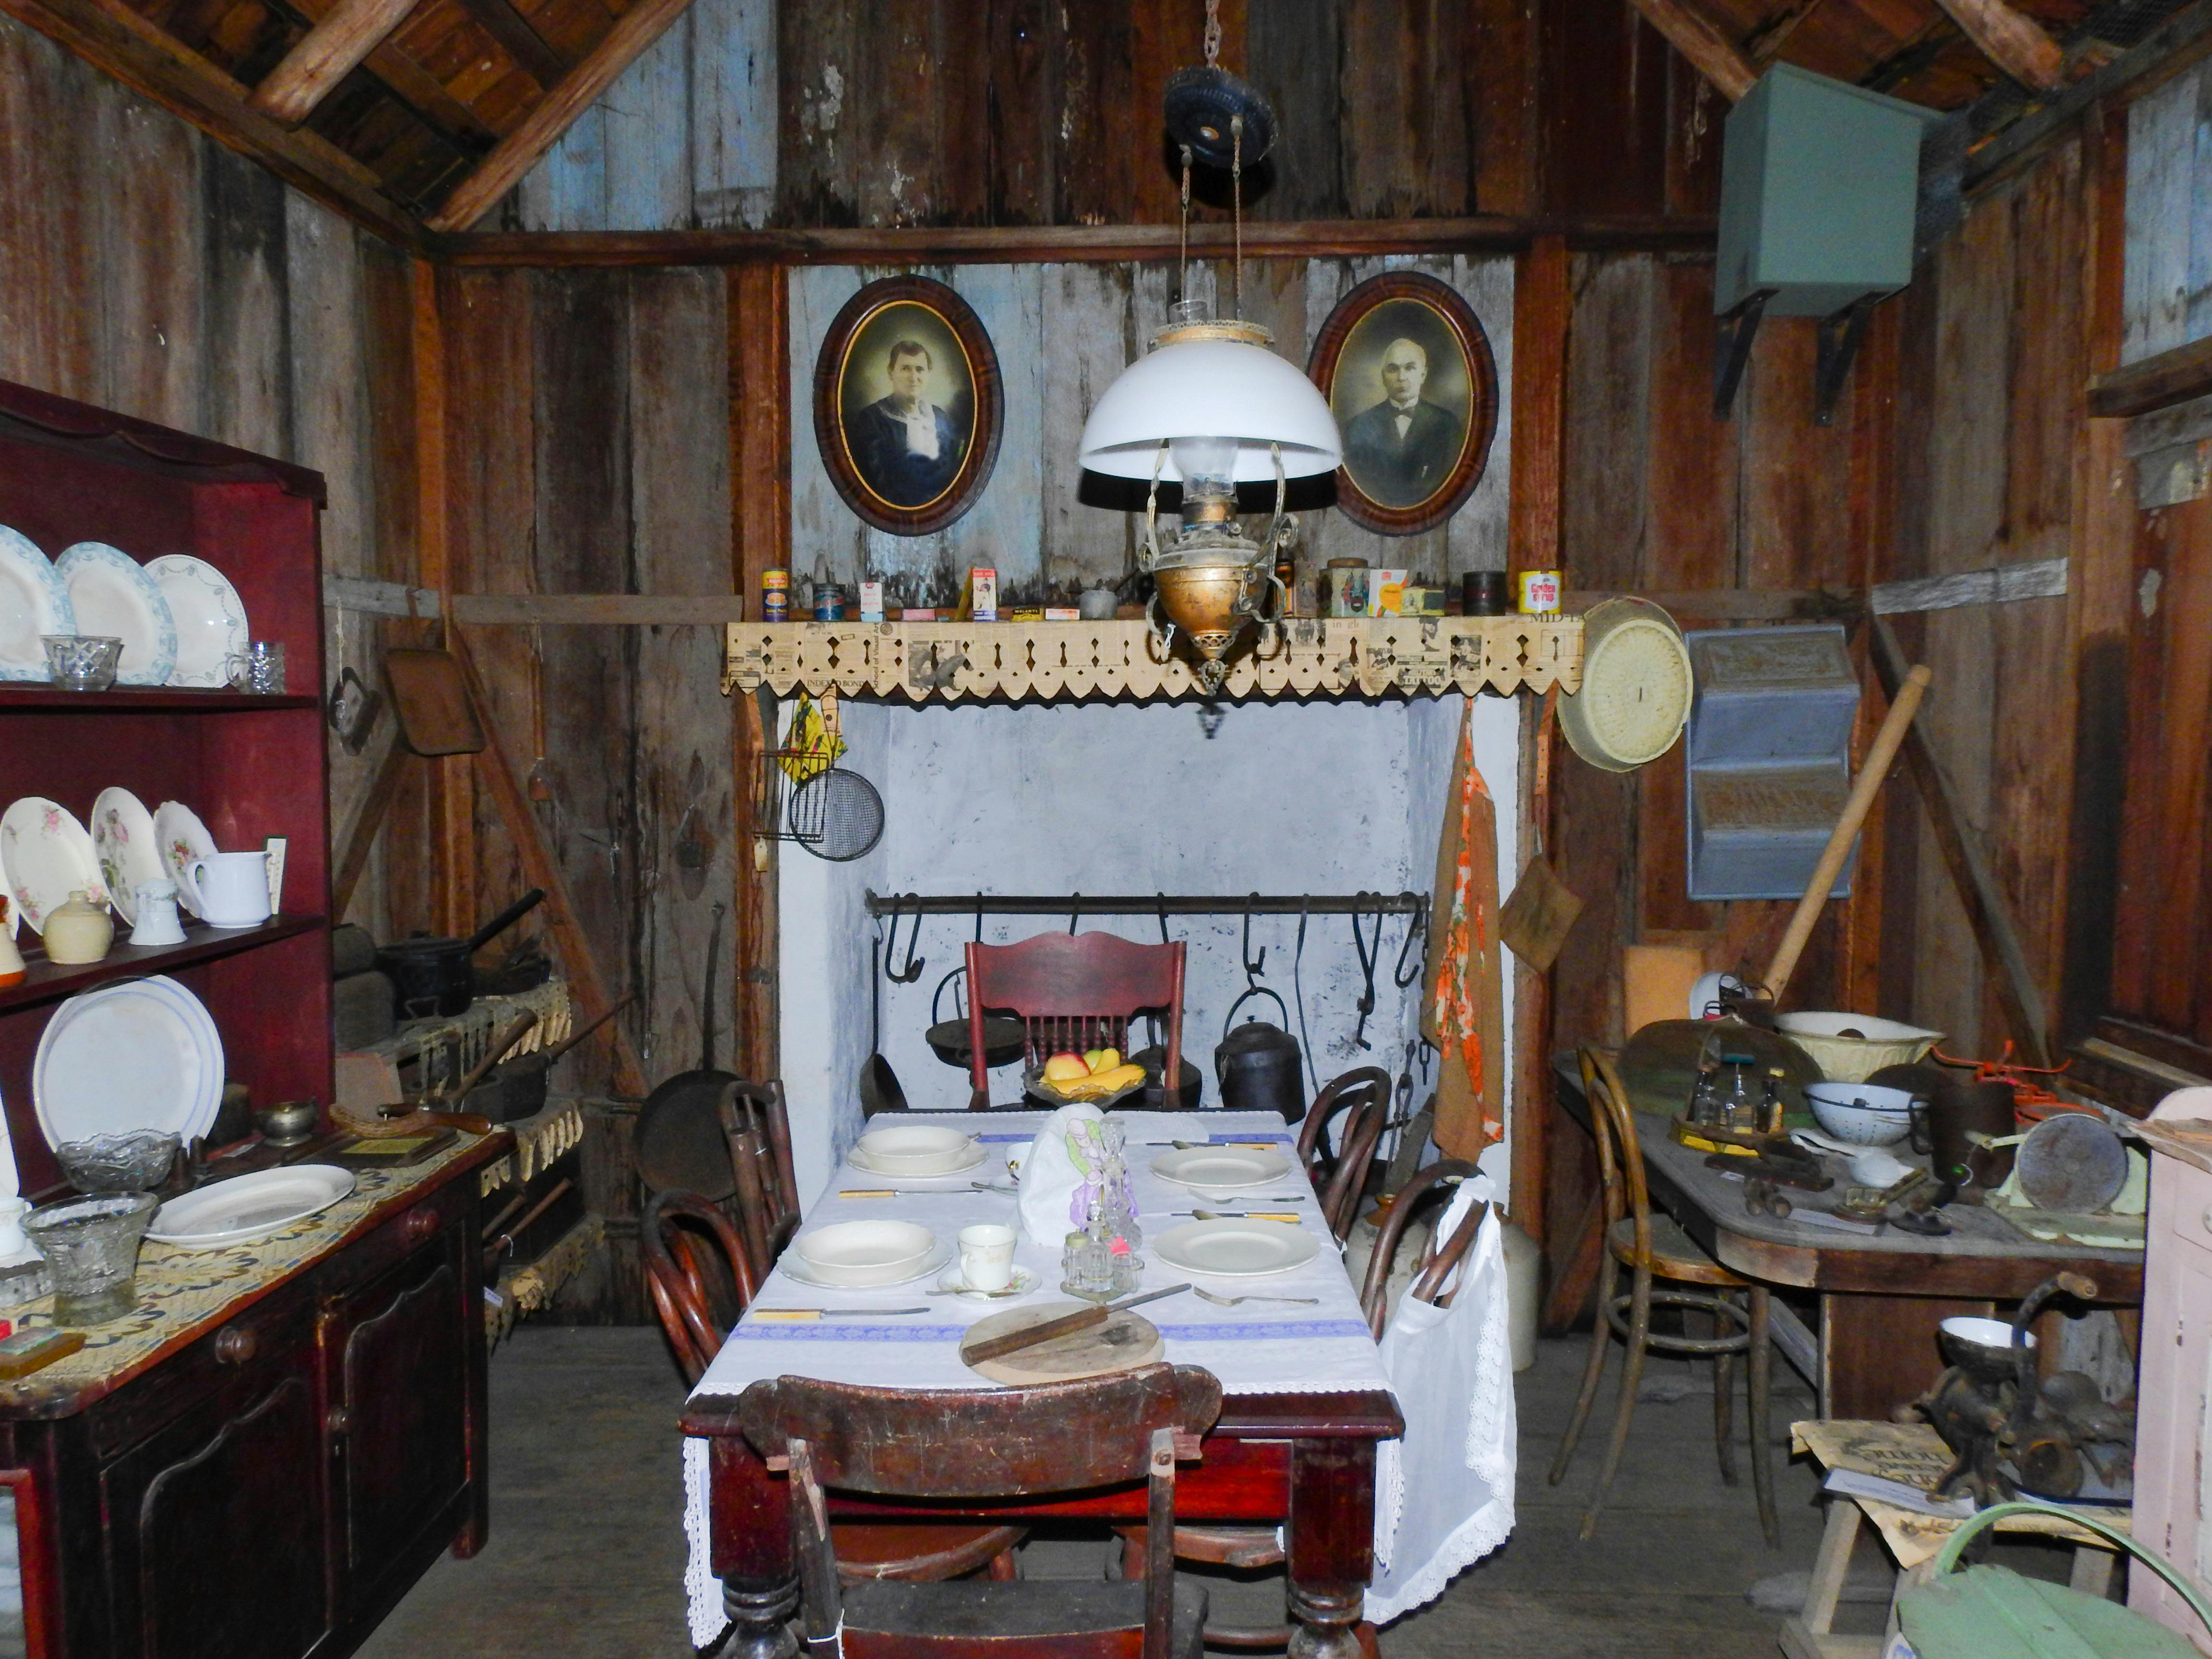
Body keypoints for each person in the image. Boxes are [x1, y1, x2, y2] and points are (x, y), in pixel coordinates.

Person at [1340, 335, 1464, 508]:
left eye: (1409, 368)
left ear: (1423, 374)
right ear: (1383, 377)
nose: (1401, 377)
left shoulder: (1447, 425)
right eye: (1393, 369)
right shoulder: (1359, 427)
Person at [850, 337, 964, 507]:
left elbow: (955, 473)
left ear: (928, 374)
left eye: (920, 370)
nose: (914, 377)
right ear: (891, 373)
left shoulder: (941, 418)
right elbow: (878, 482)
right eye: (905, 369)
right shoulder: (871, 420)